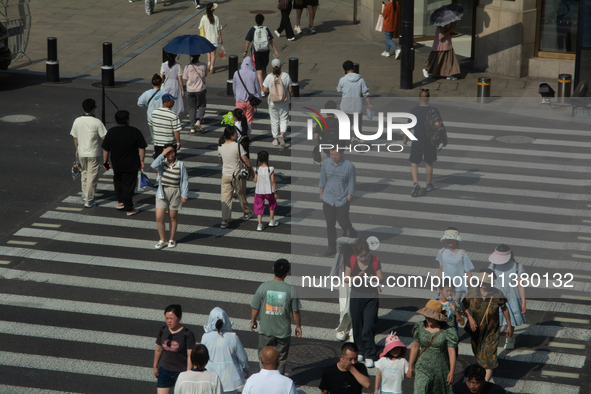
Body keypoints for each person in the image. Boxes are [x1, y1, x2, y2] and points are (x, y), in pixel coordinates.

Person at [250, 259, 302, 375]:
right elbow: (296, 313)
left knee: (263, 356)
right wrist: (298, 326)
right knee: (281, 358)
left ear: (273, 269)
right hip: (283, 332)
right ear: (287, 273)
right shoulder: (291, 290)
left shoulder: (263, 287)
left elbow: (255, 308)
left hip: (266, 331)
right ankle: (278, 379)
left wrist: (253, 321)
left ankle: (264, 377)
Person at [461, 270, 514, 382]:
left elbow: (504, 308)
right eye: (481, 281)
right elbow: (464, 306)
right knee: (479, 356)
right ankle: (482, 376)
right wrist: (470, 318)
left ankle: (483, 384)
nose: (483, 284)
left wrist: (509, 325)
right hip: (476, 331)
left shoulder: (497, 294)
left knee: (489, 360)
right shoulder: (472, 292)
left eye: (485, 282)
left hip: (491, 332)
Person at [343, 237, 383, 368]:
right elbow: (346, 278)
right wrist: (357, 277)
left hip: (371, 295)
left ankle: (370, 354)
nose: (363, 259)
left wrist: (370, 278)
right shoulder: (351, 259)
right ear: (356, 255)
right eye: (361, 257)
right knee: (357, 323)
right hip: (356, 295)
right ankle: (359, 349)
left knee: (369, 325)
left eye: (365, 256)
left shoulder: (375, 259)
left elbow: (380, 277)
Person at [402, 89, 448, 197]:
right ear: (429, 98)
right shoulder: (434, 111)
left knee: (414, 163)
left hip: (417, 141)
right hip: (431, 141)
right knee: (429, 163)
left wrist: (405, 138)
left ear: (419, 97)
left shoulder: (414, 111)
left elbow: (408, 127)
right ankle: (428, 184)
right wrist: (445, 139)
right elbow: (441, 125)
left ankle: (416, 183)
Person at [406, 300, 458, 394]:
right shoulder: (420, 327)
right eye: (427, 316)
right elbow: (415, 347)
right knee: (419, 390)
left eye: (432, 317)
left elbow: (451, 352)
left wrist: (451, 371)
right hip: (422, 366)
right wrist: (410, 366)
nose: (428, 319)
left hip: (440, 368)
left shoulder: (447, 331)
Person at [102, 110, 147, 216]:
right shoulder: (134, 131)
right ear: (127, 120)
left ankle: (120, 202)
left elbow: (105, 148)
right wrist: (141, 160)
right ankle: (129, 208)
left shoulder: (111, 132)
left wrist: (105, 161)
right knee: (129, 186)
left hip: (116, 163)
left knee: (118, 182)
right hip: (131, 164)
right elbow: (142, 147)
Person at [200, 308, 249, 393]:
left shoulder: (205, 337)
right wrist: (246, 368)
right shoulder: (233, 337)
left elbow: (201, 357)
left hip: (211, 381)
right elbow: (242, 357)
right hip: (231, 382)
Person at [70, 98, 108, 208]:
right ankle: (89, 199)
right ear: (93, 109)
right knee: (93, 176)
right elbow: (105, 137)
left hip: (81, 151)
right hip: (93, 152)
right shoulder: (97, 122)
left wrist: (77, 149)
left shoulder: (77, 120)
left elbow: (75, 137)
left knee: (84, 173)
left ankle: (84, 193)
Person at [319, 148, 356, 257]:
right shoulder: (326, 163)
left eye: (336, 154)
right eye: (331, 154)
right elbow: (322, 179)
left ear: (342, 153)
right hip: (328, 199)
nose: (333, 157)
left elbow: (351, 185)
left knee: (344, 223)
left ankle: (352, 240)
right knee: (330, 224)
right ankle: (332, 248)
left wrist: (348, 200)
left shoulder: (349, 166)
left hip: (342, 200)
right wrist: (321, 194)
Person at [488, 244, 526, 350]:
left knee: (511, 319)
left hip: (512, 297)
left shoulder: (517, 267)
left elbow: (520, 285)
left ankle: (509, 339)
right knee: (497, 319)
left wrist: (523, 301)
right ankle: (494, 339)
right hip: (497, 297)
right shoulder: (493, 266)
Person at [151, 144, 189, 250]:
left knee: (173, 217)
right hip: (162, 191)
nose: (170, 154)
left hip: (175, 192)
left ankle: (171, 239)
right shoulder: (162, 163)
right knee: (159, 217)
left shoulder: (180, 164)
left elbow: (185, 180)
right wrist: (162, 154)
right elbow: (153, 166)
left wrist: (184, 195)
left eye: (172, 152)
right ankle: (162, 240)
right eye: (168, 152)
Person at [154, 304, 196, 394]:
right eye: (166, 318)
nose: (169, 321)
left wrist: (188, 374)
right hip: (165, 371)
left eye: (172, 318)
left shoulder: (187, 334)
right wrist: (155, 366)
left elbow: (190, 355)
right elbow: (158, 349)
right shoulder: (163, 331)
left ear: (179, 318)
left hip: (181, 372)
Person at [218, 126, 253, 229]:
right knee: (241, 194)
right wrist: (252, 172)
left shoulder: (220, 146)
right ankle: (247, 212)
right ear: (231, 135)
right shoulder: (237, 146)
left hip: (225, 175)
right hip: (237, 175)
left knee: (225, 198)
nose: (237, 135)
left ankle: (224, 220)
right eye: (235, 133)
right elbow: (246, 160)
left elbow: (221, 160)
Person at [244, 14, 280, 91]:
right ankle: (267, 87)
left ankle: (261, 89)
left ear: (255, 20)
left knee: (258, 71)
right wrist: (275, 51)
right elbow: (271, 41)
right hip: (265, 51)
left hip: (256, 52)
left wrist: (245, 51)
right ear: (263, 21)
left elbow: (248, 41)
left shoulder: (253, 29)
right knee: (264, 69)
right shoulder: (266, 29)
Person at [262, 58, 294, 148]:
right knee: (284, 119)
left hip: (272, 102)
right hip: (284, 101)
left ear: (272, 67)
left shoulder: (269, 77)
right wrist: (292, 100)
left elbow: (264, 90)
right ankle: (282, 135)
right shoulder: (286, 76)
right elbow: (291, 90)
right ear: (281, 66)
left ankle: (275, 139)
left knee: (274, 120)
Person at [436, 227, 474, 301]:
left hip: (458, 286)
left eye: (452, 239)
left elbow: (468, 273)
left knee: (455, 305)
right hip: (445, 286)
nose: (449, 240)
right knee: (444, 306)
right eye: (448, 239)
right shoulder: (442, 252)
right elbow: (440, 270)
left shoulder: (463, 254)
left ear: (456, 240)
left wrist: (472, 289)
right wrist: (438, 287)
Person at [337, 60, 372, 137]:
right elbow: (366, 93)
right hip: (357, 107)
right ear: (354, 67)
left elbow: (339, 90)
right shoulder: (361, 80)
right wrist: (369, 104)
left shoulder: (342, 80)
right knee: (358, 126)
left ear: (344, 70)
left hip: (346, 108)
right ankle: (357, 140)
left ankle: (346, 143)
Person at [149, 93, 182, 158]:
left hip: (158, 143)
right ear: (167, 102)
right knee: (169, 163)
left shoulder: (154, 112)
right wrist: (178, 142)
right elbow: (176, 131)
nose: (174, 103)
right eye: (172, 101)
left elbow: (152, 126)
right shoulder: (173, 115)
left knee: (159, 162)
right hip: (169, 144)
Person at [253, 151, 279, 232]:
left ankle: (259, 225)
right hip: (269, 191)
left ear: (259, 159)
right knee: (272, 203)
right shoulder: (270, 169)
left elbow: (255, 181)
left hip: (259, 191)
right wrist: (275, 191)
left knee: (259, 206)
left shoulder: (257, 169)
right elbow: (273, 181)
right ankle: (271, 221)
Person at [183, 54, 208, 133]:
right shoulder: (203, 65)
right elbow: (205, 75)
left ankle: (192, 127)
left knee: (191, 108)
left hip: (190, 90)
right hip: (200, 89)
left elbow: (185, 78)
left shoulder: (187, 66)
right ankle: (198, 121)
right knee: (202, 105)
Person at [233, 57, 261, 125]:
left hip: (239, 99)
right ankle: (247, 133)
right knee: (249, 118)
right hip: (250, 100)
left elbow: (234, 87)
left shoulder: (237, 73)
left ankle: (239, 133)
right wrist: (259, 97)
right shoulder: (253, 74)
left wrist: (235, 97)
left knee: (238, 118)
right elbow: (257, 88)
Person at [198, 3, 223, 74]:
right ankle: (212, 68)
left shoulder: (203, 17)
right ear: (213, 9)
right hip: (214, 38)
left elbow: (200, 27)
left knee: (208, 52)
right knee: (213, 54)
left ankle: (209, 64)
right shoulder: (216, 17)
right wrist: (221, 38)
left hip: (206, 39)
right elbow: (219, 29)